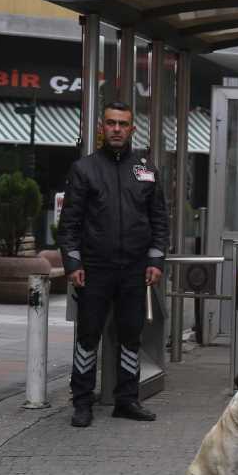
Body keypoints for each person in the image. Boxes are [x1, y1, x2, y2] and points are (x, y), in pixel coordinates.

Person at [58, 100, 168, 428]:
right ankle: (81, 402)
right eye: (111, 123)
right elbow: (70, 223)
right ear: (101, 128)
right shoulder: (84, 169)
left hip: (135, 268)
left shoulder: (146, 169)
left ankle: (127, 400)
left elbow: (159, 219)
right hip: (94, 268)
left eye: (123, 124)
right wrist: (73, 262)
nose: (117, 129)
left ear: (132, 129)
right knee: (88, 335)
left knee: (131, 335)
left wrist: (156, 259)